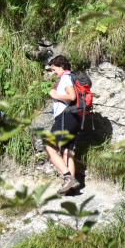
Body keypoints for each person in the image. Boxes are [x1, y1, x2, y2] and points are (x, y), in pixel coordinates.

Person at [45, 55, 81, 194]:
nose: (53, 72)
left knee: (49, 148)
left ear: (62, 67)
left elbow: (71, 96)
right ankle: (71, 188)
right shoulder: (71, 76)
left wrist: (55, 96)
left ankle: (68, 178)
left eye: (54, 69)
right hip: (74, 117)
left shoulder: (66, 77)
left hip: (66, 117)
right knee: (66, 151)